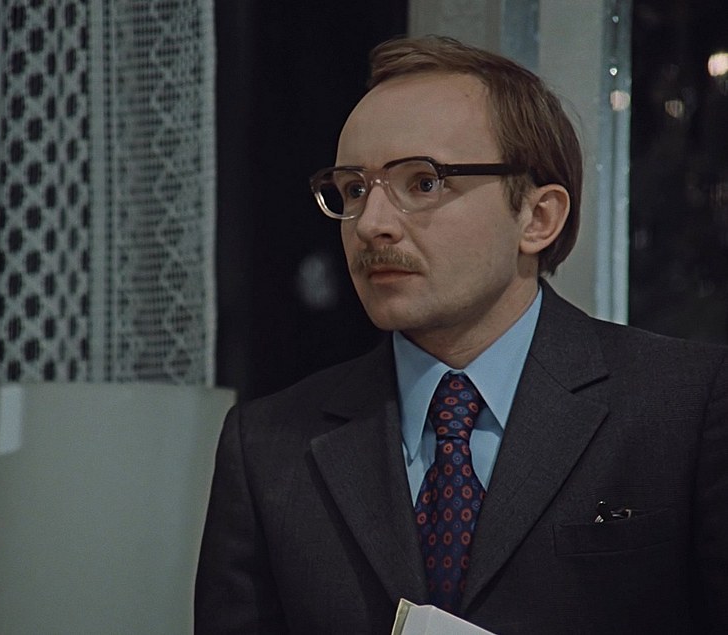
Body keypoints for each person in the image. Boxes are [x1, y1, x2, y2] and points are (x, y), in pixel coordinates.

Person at [195, 35, 728, 634]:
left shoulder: (685, 405)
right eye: (354, 190)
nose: (371, 225)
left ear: (538, 217)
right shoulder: (270, 445)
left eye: (423, 183)